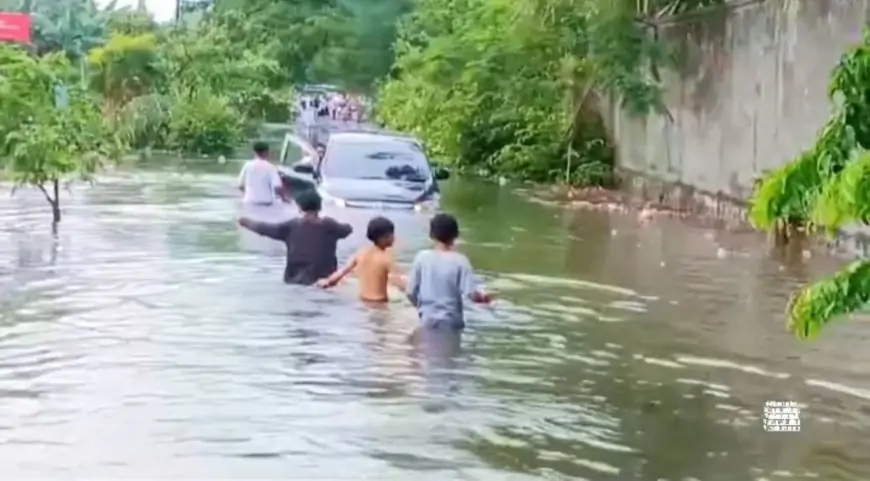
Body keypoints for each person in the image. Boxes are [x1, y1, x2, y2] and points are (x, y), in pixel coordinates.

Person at [238, 190, 352, 285]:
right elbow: (348, 229)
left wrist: (245, 222)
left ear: (299, 207)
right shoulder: (329, 226)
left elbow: (265, 229)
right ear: (319, 207)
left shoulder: (291, 227)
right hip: (325, 281)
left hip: (294, 280)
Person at [405, 213, 493, 331]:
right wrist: (483, 298)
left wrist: (421, 308)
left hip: (426, 319)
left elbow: (410, 292)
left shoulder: (421, 258)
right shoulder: (461, 261)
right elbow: (471, 294)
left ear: (431, 234)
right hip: (451, 322)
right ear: (455, 235)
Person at [317, 216, 405, 303]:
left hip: (363, 301)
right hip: (379, 303)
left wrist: (327, 282)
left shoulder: (360, 253)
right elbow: (400, 284)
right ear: (383, 237)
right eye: (391, 234)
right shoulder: (387, 258)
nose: (394, 237)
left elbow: (340, 274)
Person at [237, 141, 286, 205]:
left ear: (254, 152)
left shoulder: (247, 166)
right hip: (266, 201)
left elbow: (240, 186)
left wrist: (248, 194)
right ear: (267, 152)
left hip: (249, 201)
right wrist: (284, 198)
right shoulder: (271, 167)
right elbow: (277, 187)